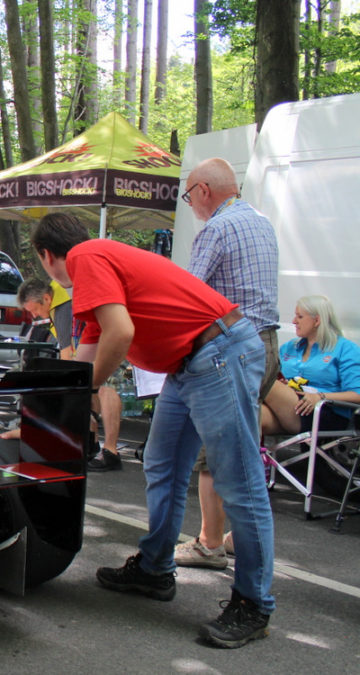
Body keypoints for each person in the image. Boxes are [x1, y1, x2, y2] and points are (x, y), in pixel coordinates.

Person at [31, 212, 274, 649]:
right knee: (161, 465)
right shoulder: (94, 281)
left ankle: (253, 605)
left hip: (218, 352)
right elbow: (80, 366)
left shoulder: (87, 258)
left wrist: (89, 391)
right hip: (188, 364)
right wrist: (45, 415)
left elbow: (119, 334)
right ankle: (155, 568)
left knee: (240, 483)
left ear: (47, 256)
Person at [174, 157, 280, 571]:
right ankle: (239, 537)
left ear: (203, 191)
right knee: (243, 448)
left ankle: (209, 543)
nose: (192, 206)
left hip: (231, 349)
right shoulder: (260, 220)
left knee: (212, 452)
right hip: (266, 344)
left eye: (189, 196)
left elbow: (189, 297)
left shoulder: (216, 228)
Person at [3, 278, 124, 471]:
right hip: (96, 340)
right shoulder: (58, 293)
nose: (34, 316)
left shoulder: (62, 309)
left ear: (46, 298)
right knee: (88, 387)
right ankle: (91, 443)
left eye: (35, 310)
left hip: (109, 339)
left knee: (105, 388)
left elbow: (66, 356)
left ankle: (110, 452)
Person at [261, 295, 360, 437]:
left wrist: (320, 396)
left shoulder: (345, 349)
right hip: (290, 409)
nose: (294, 321)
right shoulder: (289, 347)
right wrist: (284, 384)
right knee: (251, 417)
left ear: (317, 320)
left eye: (300, 317)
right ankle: (253, 459)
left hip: (324, 411)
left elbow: (357, 394)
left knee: (263, 380)